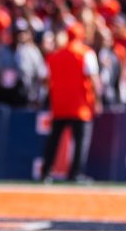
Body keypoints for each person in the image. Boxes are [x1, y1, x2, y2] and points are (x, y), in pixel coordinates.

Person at [41, 22, 102, 183]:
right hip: (80, 106)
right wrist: (97, 100)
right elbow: (94, 79)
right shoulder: (86, 54)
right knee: (81, 142)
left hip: (60, 105)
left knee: (54, 140)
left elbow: (46, 80)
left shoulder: (55, 56)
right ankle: (75, 173)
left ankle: (46, 172)